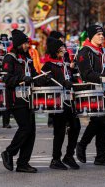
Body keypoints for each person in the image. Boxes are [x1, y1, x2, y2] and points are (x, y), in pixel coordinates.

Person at [75, 24, 105, 166]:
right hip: (91, 90)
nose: (101, 36)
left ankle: (101, 156)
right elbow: (86, 74)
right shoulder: (85, 52)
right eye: (98, 34)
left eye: (102, 34)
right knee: (98, 121)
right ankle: (82, 144)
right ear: (90, 36)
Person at [0, 29, 40, 173]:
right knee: (25, 128)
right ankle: (9, 153)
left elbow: (33, 75)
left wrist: (41, 79)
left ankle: (23, 163)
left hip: (29, 98)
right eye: (24, 43)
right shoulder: (9, 58)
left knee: (31, 131)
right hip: (15, 99)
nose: (27, 46)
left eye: (27, 43)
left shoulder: (28, 58)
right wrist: (21, 79)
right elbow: (5, 78)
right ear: (18, 44)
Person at [40, 37, 81, 170]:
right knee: (60, 131)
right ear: (55, 51)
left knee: (76, 127)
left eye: (64, 47)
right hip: (57, 102)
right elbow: (45, 81)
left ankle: (69, 155)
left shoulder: (65, 64)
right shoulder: (48, 65)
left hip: (70, 100)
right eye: (61, 48)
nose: (64, 50)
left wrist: (76, 82)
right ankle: (55, 159)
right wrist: (62, 82)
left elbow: (70, 77)